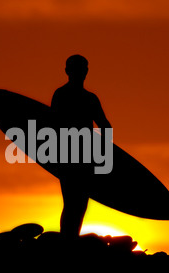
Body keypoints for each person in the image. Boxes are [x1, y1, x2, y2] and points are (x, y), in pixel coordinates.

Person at [51, 55, 112, 238]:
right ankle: (68, 241)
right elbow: (52, 126)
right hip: (70, 158)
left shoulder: (88, 98)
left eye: (83, 69)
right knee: (72, 203)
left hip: (83, 159)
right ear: (68, 71)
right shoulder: (63, 95)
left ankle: (70, 240)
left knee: (77, 204)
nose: (81, 72)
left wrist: (104, 158)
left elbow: (105, 127)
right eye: (78, 69)